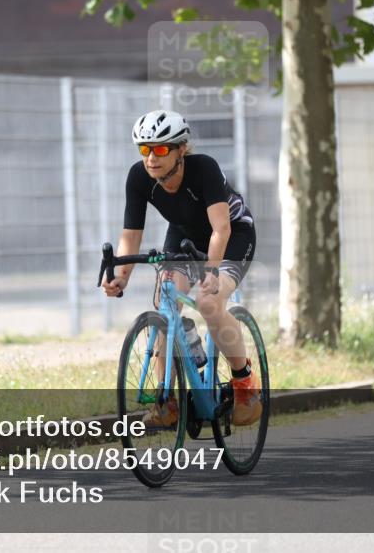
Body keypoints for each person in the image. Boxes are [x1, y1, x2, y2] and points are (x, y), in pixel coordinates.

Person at [101, 109, 261, 427]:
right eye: (144, 149)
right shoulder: (138, 177)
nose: (151, 158)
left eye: (160, 149)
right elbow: (131, 236)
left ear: (181, 149)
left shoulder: (204, 169)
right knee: (165, 303)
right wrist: (121, 276)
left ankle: (245, 384)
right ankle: (167, 402)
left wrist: (212, 272)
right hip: (185, 236)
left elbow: (221, 230)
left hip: (232, 235)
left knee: (209, 302)